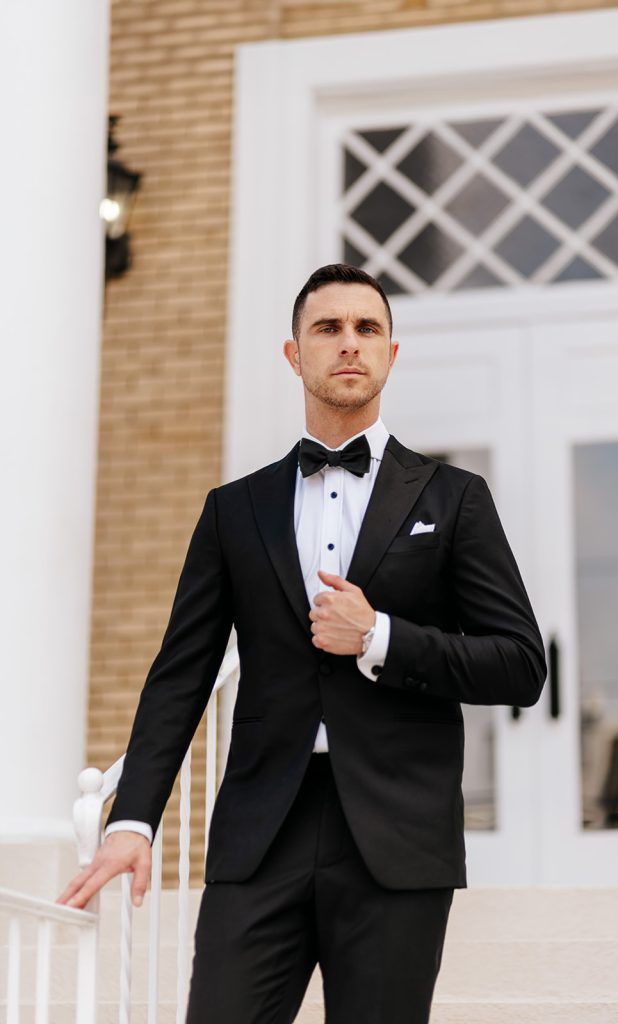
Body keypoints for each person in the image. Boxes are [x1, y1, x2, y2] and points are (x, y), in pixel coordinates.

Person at [57, 262, 547, 1023]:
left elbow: (519, 665)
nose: (348, 344)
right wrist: (132, 820)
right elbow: (180, 676)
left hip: (397, 834)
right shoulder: (234, 509)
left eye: (366, 329)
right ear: (295, 353)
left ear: (390, 353)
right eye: (327, 328)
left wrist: (379, 636)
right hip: (261, 833)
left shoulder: (454, 501)